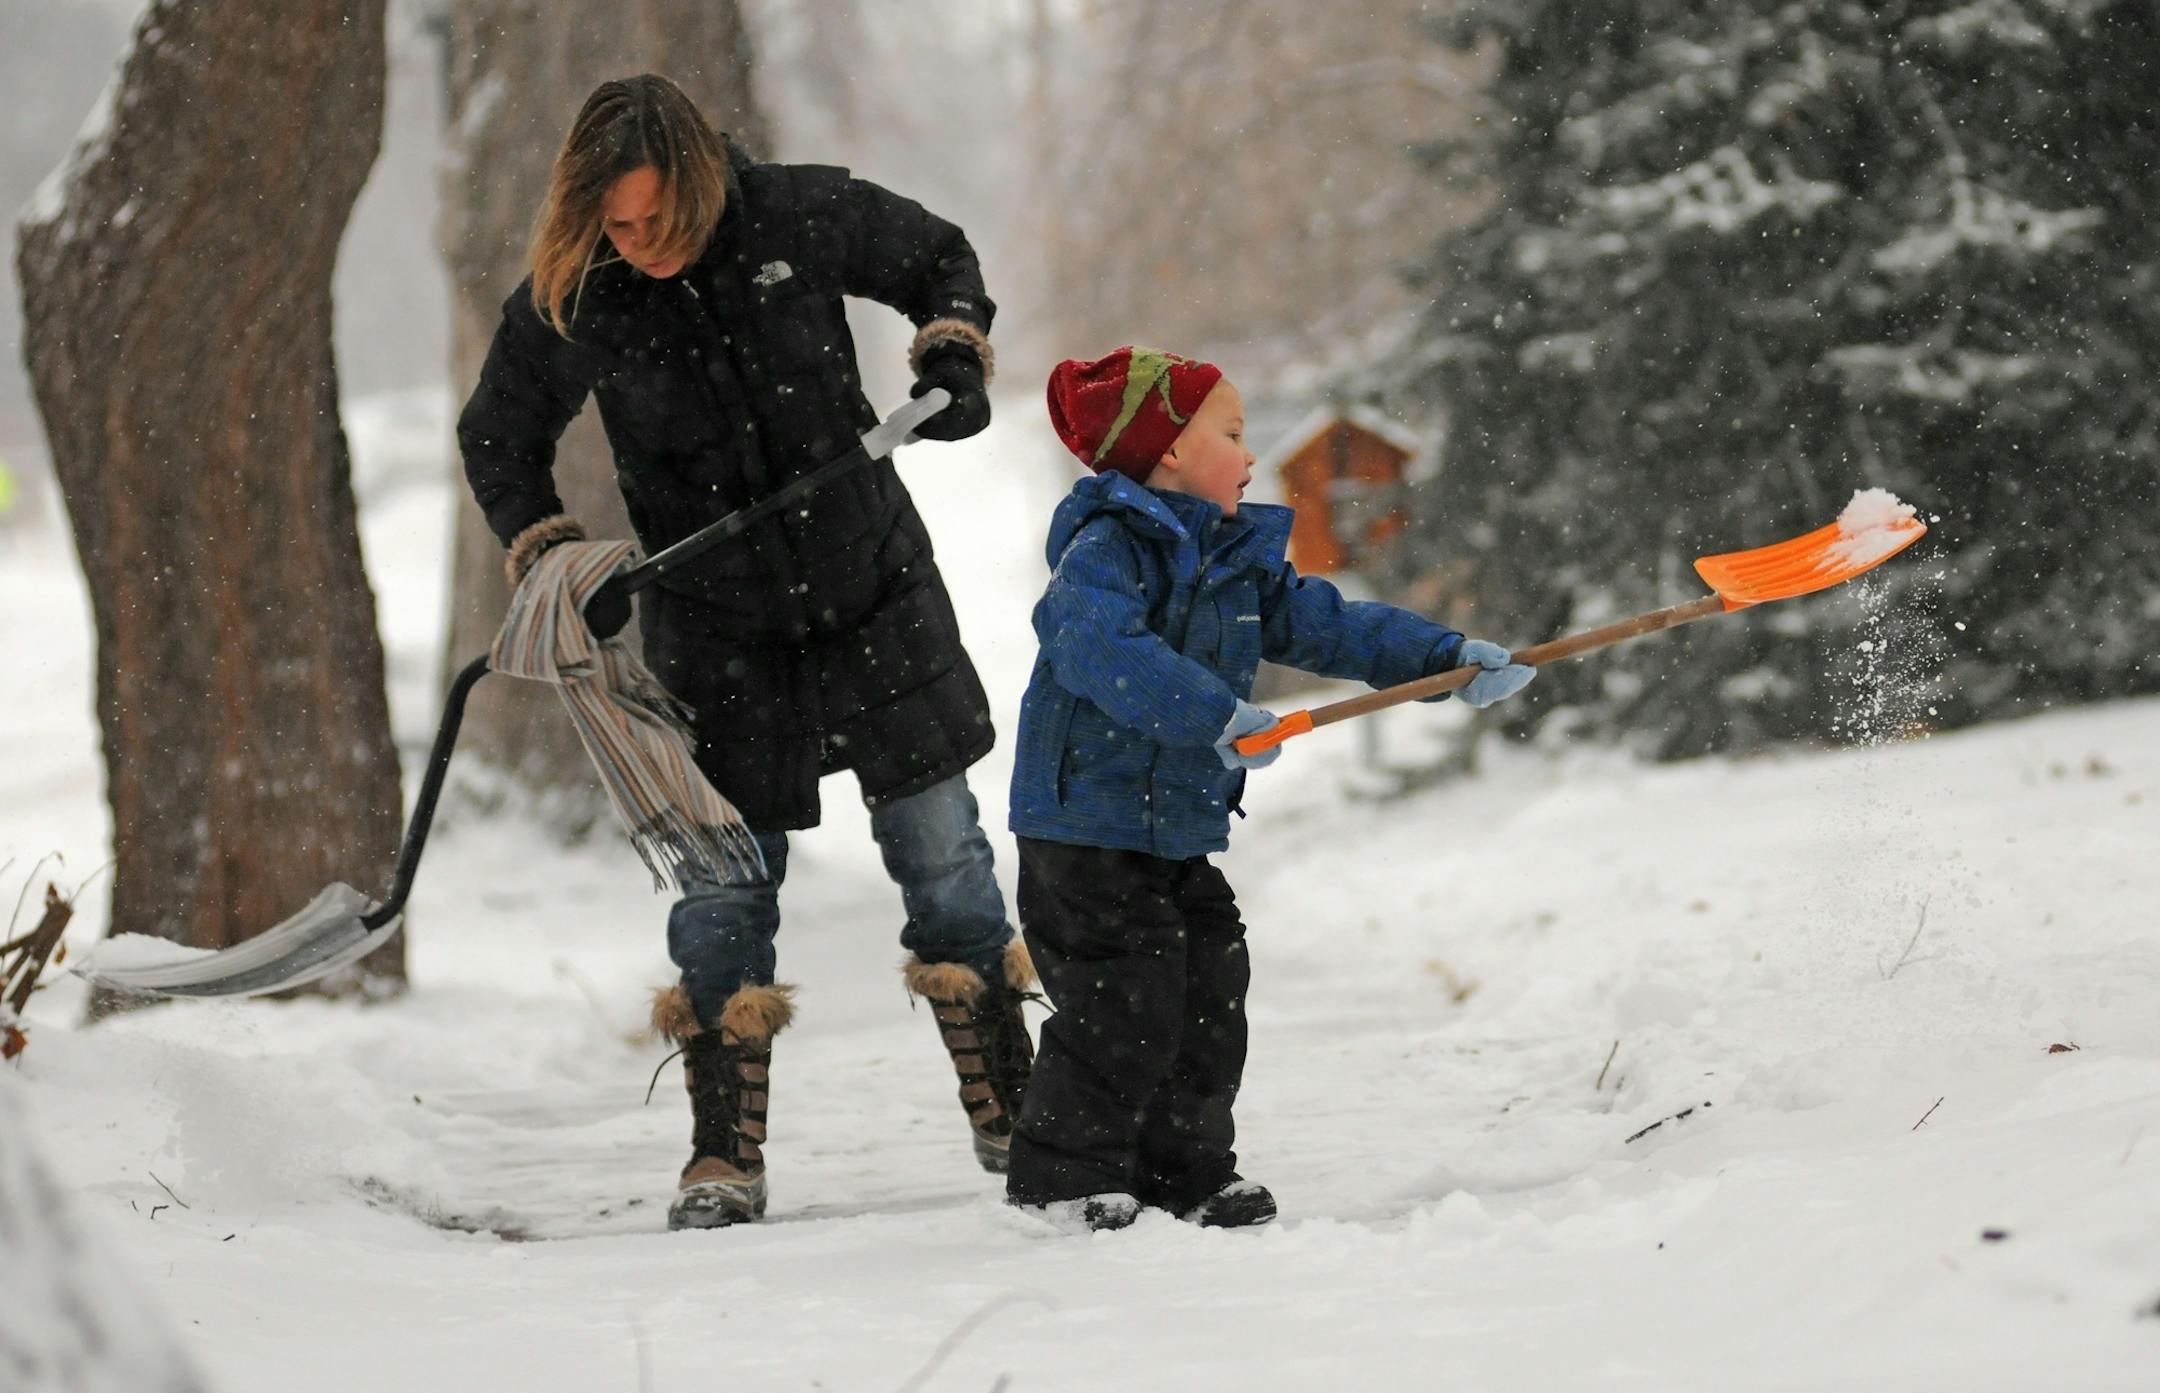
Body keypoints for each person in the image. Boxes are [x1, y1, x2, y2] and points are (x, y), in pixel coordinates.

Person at [456, 74, 1033, 1230]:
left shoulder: (795, 215)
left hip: (873, 593)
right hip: (714, 632)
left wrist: (951, 350)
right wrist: (561, 560)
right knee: (722, 891)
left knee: (946, 858)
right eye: (616, 224)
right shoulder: (583, 292)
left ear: (703, 181)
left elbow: (939, 258)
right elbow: (498, 436)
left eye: (658, 220)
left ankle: (1014, 1107)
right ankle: (724, 1149)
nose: (640, 244)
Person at [1004, 347, 1535, 1231]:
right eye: (1234, 432)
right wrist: (1213, 712)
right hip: (1084, 831)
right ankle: (1064, 1178)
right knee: (1122, 1003)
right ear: (1169, 448)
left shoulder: (1234, 556)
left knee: (1210, 990)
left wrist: (1440, 659)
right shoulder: (1107, 546)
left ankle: (1186, 1171)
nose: (1252, 454)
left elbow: (1331, 627)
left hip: (1173, 827)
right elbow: (1094, 646)